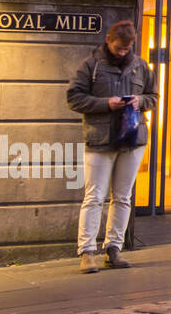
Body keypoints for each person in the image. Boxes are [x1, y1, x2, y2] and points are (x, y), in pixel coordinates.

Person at [67, 20, 158, 273]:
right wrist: (107, 103)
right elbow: (74, 98)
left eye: (127, 48)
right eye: (119, 48)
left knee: (123, 197)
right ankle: (86, 252)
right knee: (94, 197)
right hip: (100, 140)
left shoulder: (141, 67)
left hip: (132, 139)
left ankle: (114, 249)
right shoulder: (91, 65)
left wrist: (141, 100)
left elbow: (154, 97)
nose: (123, 53)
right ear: (109, 41)